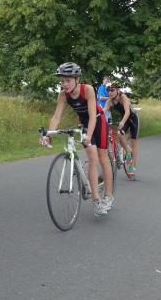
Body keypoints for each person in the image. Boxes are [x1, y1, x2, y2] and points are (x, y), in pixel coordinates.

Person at [41, 62, 114, 216]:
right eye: (62, 81)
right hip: (84, 123)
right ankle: (96, 201)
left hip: (98, 121)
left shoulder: (87, 89)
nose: (64, 84)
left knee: (102, 157)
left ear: (77, 79)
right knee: (92, 158)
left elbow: (93, 116)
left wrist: (89, 136)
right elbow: (56, 117)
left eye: (68, 80)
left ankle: (108, 196)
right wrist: (48, 135)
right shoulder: (63, 95)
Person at [103, 83, 139, 176]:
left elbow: (127, 112)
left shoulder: (123, 98)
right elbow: (103, 111)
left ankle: (132, 166)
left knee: (134, 142)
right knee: (120, 134)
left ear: (118, 90)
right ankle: (128, 151)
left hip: (133, 119)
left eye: (112, 90)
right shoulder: (109, 101)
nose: (110, 92)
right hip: (124, 119)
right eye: (108, 90)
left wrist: (122, 122)